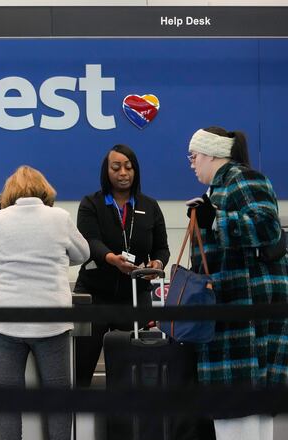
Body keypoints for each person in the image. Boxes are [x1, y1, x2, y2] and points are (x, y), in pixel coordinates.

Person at [0, 165, 90, 440]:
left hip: (6, 321)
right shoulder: (60, 218)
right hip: (51, 320)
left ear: (10, 192)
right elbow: (83, 254)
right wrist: (58, 259)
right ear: (44, 191)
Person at [185, 126, 288, 440]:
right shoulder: (217, 190)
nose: (191, 163)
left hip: (248, 317)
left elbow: (267, 227)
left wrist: (216, 219)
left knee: (241, 405)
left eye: (194, 156)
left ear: (210, 153)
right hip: (233, 314)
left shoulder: (243, 179)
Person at [73, 144, 170, 387]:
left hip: (135, 297)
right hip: (95, 295)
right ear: (106, 171)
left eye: (128, 167)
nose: (123, 172)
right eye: (116, 167)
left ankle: (128, 421)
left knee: (133, 372)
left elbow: (161, 247)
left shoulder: (150, 206)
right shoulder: (91, 204)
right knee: (81, 368)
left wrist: (157, 263)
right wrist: (112, 259)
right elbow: (89, 242)